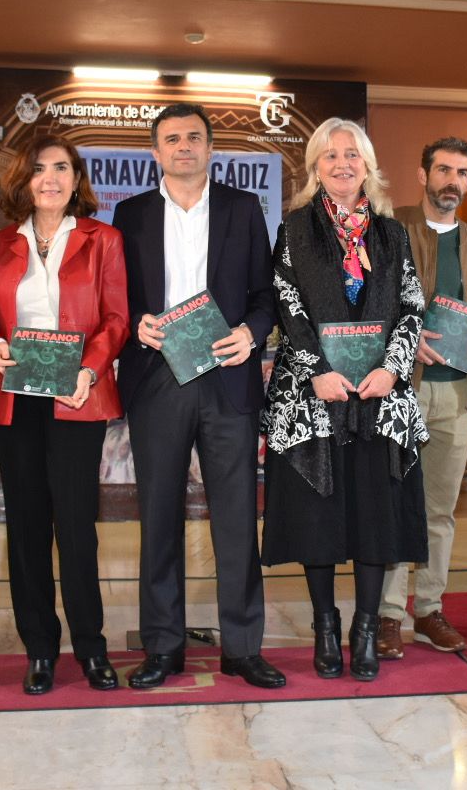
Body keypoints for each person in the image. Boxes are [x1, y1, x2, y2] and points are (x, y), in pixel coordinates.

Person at [112, 104, 283, 690]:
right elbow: (120, 299)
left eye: (193, 138)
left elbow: (266, 296)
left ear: (210, 148)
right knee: (158, 517)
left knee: (236, 517)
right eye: (171, 139)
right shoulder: (129, 215)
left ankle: (242, 647)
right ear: (155, 152)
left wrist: (251, 334)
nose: (183, 146)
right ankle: (162, 647)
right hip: (156, 376)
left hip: (226, 376)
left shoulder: (242, 209)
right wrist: (136, 323)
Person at [262, 117, 428, 682]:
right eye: (329, 156)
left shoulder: (392, 234)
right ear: (315, 168)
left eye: (351, 155)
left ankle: (365, 629)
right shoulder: (293, 229)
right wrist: (317, 371)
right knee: (320, 514)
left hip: (379, 396)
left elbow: (411, 308)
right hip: (316, 394)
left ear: (367, 165)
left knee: (375, 515)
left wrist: (392, 366)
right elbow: (288, 306)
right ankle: (326, 626)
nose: (341, 164)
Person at [0, 133, 128, 693]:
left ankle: (91, 647)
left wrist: (88, 370)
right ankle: (39, 647)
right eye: (39, 169)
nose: (51, 178)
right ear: (24, 179)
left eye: (62, 168)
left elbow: (116, 319)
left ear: (76, 178)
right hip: (16, 398)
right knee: (26, 527)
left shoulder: (103, 239)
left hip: (76, 396)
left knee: (76, 526)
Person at [377, 137, 467, 660]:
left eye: (462, 172)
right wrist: (401, 340)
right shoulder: (389, 228)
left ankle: (428, 608)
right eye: (443, 170)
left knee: (440, 511)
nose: (453, 180)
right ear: (422, 175)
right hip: (399, 390)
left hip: (455, 395)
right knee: (393, 505)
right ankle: (385, 615)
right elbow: (364, 302)